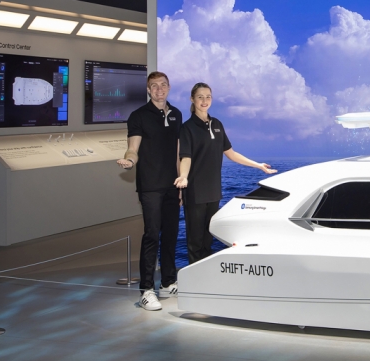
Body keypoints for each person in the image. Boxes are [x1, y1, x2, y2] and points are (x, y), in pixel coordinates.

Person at [174, 82, 277, 264]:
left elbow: (232, 154)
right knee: (195, 242)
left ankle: (208, 276)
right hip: (195, 192)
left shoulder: (217, 124)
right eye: (200, 97)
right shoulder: (187, 128)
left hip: (213, 191)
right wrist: (183, 177)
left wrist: (258, 165)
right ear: (192, 99)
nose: (204, 101)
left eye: (208, 97)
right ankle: (196, 278)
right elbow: (186, 157)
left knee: (208, 240)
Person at [117, 71, 182, 311]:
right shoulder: (138, 116)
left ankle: (167, 282)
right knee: (152, 235)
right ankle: (146, 290)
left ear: (169, 87)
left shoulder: (176, 114)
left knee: (171, 235)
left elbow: (178, 152)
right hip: (150, 186)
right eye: (154, 86)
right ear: (148, 89)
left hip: (172, 185)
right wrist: (130, 161)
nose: (159, 89)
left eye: (163, 85)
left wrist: (181, 183)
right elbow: (132, 148)